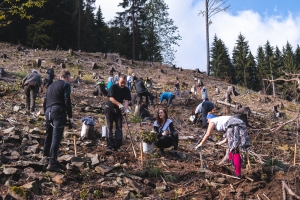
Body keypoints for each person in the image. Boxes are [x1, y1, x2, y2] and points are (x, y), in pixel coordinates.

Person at [43, 69, 74, 172]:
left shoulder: (50, 86)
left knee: (49, 134)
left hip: (48, 111)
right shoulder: (66, 85)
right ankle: (52, 163)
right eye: (69, 79)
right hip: (58, 111)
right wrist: (70, 117)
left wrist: (45, 113)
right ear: (67, 78)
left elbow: (45, 101)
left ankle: (46, 157)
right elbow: (67, 101)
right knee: (56, 136)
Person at [105, 75, 131, 153]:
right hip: (109, 109)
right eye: (121, 82)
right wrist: (119, 104)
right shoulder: (113, 87)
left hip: (119, 110)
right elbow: (111, 98)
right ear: (118, 81)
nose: (123, 84)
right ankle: (110, 146)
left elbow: (126, 100)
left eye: (124, 83)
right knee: (109, 127)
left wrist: (125, 109)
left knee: (119, 127)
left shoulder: (126, 89)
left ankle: (117, 146)